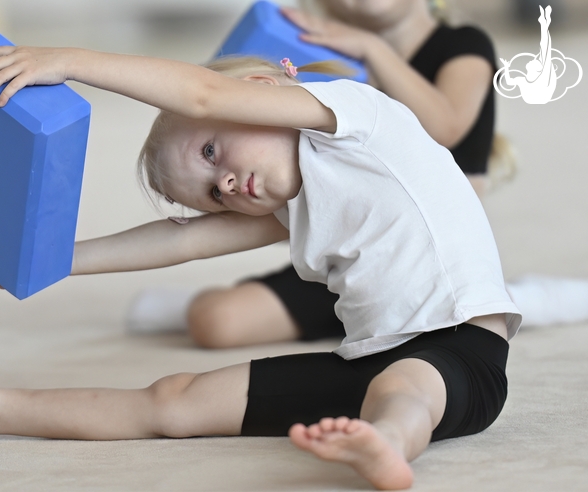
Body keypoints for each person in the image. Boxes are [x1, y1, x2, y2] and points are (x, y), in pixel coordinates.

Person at [0, 41, 520, 490]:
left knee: (403, 390)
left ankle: (387, 446)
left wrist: (65, 60)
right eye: (210, 193)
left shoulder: (353, 118)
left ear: (264, 89)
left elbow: (203, 94)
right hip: (370, 360)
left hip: (463, 353)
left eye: (212, 152)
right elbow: (181, 242)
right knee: (174, 401)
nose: (226, 187)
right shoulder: (294, 204)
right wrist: (50, 261)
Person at [125, 0, 588, 347]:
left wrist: (371, 49)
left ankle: (521, 297)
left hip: (427, 253)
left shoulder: (464, 44)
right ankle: (213, 304)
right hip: (351, 254)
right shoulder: (340, 72)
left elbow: (444, 127)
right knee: (215, 323)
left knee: (440, 315)